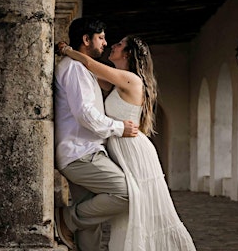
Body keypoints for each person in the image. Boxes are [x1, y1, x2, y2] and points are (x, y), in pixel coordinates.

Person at [57, 35, 197, 250]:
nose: (112, 45)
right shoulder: (117, 79)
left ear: (128, 53)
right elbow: (87, 72)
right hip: (119, 146)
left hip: (132, 148)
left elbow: (89, 63)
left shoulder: (131, 79)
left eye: (119, 44)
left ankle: (68, 219)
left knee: (134, 199)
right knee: (129, 206)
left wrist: (66, 50)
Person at [53, 17, 140, 251]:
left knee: (90, 219)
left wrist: (67, 50)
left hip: (85, 151)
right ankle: (66, 220)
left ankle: (73, 228)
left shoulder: (82, 68)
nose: (105, 43)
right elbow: (86, 115)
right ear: (86, 39)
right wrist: (121, 127)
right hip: (80, 154)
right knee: (127, 193)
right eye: (100, 38)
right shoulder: (75, 70)